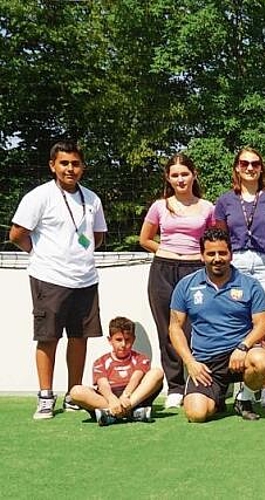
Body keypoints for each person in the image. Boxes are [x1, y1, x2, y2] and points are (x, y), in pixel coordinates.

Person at [10, 141, 108, 419]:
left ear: (83, 167)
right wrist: (40, 253)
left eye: (75, 163)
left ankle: (74, 394)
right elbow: (17, 234)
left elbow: (97, 237)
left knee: (80, 338)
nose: (70, 169)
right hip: (49, 278)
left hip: (86, 279)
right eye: (64, 163)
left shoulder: (92, 199)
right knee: (48, 337)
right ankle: (45, 396)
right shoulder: (38, 196)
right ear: (52, 166)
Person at [168, 227, 265, 423]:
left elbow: (262, 324)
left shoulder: (250, 285)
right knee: (196, 414)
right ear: (202, 256)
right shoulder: (186, 286)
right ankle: (217, 397)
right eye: (211, 254)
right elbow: (175, 327)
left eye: (222, 253)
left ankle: (245, 398)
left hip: (240, 356)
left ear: (231, 255)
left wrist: (243, 346)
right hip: (206, 363)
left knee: (262, 360)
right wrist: (190, 363)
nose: (217, 258)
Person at [214, 147, 265, 408]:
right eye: (244, 163)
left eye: (255, 163)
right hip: (238, 263)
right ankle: (240, 385)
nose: (249, 168)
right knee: (238, 321)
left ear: (261, 168)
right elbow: (221, 236)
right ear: (236, 167)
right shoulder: (225, 201)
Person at [139, 153, 214, 409]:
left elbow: (214, 241)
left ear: (194, 175)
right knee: (168, 329)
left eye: (185, 173)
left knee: (196, 330)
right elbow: (145, 238)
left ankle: (198, 383)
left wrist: (200, 258)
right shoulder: (160, 206)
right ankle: (175, 387)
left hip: (195, 270)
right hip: (163, 270)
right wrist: (165, 252)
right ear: (168, 178)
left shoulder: (207, 207)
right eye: (175, 175)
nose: (180, 179)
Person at [68, 317, 165, 426]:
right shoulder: (101, 361)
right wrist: (112, 399)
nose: (123, 344)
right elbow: (103, 385)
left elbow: (135, 378)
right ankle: (131, 413)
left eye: (127, 340)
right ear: (110, 340)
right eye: (118, 340)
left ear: (133, 339)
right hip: (109, 398)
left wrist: (126, 396)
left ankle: (112, 414)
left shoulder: (141, 358)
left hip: (132, 397)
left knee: (157, 373)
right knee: (75, 391)